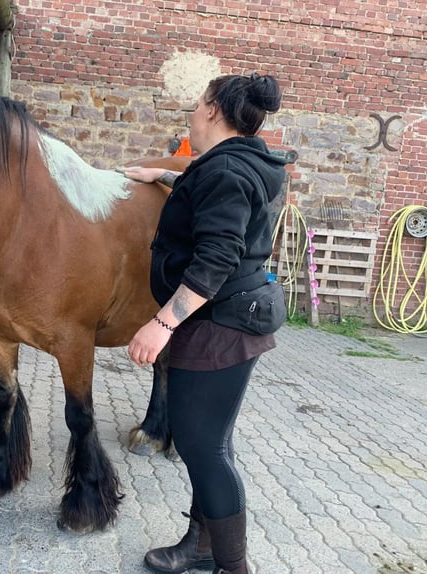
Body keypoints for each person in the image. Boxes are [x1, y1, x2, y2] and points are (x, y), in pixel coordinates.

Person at [123, 72, 287, 574]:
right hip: (228, 316)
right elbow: (213, 198)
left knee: (203, 446)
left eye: (197, 104)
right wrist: (166, 178)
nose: (191, 112)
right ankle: (203, 545)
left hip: (221, 323)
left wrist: (162, 324)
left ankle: (232, 566)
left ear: (214, 110)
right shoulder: (231, 164)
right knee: (207, 440)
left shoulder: (227, 172)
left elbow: (217, 255)